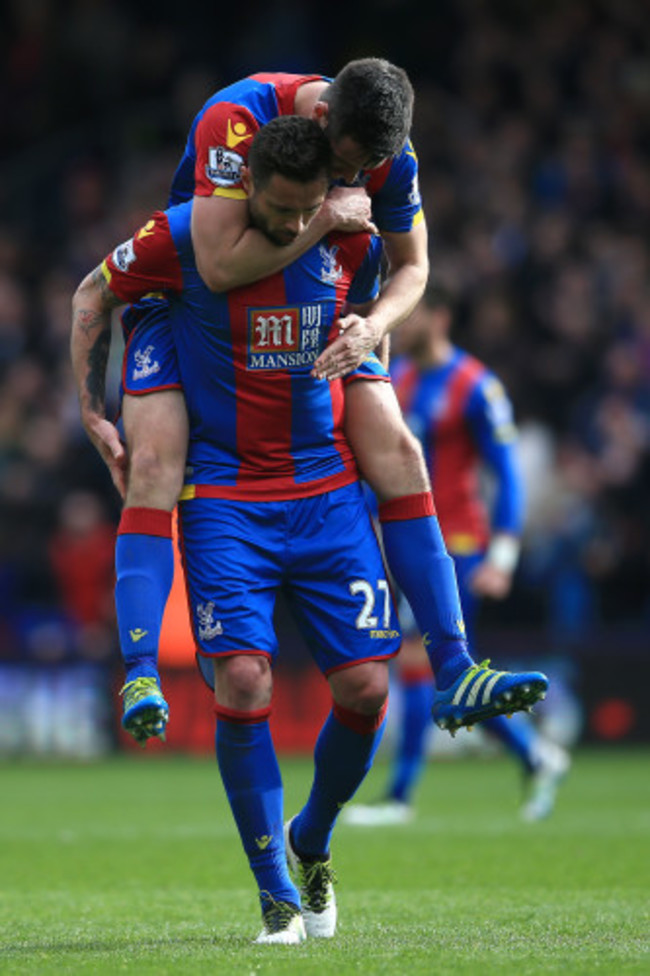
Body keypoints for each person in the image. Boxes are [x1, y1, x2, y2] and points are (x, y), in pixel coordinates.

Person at [72, 119, 548, 942]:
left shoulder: (347, 235)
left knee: (366, 688)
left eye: (308, 211)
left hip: (327, 494)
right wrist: (95, 410)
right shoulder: (182, 240)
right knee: (245, 683)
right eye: (281, 210)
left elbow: (397, 282)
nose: (295, 227)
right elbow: (93, 296)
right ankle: (272, 894)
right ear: (244, 186)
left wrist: (368, 337)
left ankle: (313, 837)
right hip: (226, 499)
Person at [79, 59, 548, 746]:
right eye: (346, 164)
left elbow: (414, 266)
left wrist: (376, 323)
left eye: (368, 168)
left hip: (315, 299)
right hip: (194, 301)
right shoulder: (234, 121)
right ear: (321, 118)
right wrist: (326, 214)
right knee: (152, 466)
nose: (355, 178)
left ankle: (456, 666)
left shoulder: (387, 152)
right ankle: (142, 668)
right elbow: (217, 266)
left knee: (401, 451)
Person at [344, 287, 570, 826]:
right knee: (448, 677)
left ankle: (400, 797)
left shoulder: (476, 386)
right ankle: (536, 753)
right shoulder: (399, 378)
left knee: (422, 661)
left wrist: (504, 556)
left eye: (414, 309)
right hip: (407, 540)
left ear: (440, 316)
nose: (402, 316)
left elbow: (507, 474)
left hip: (460, 545)